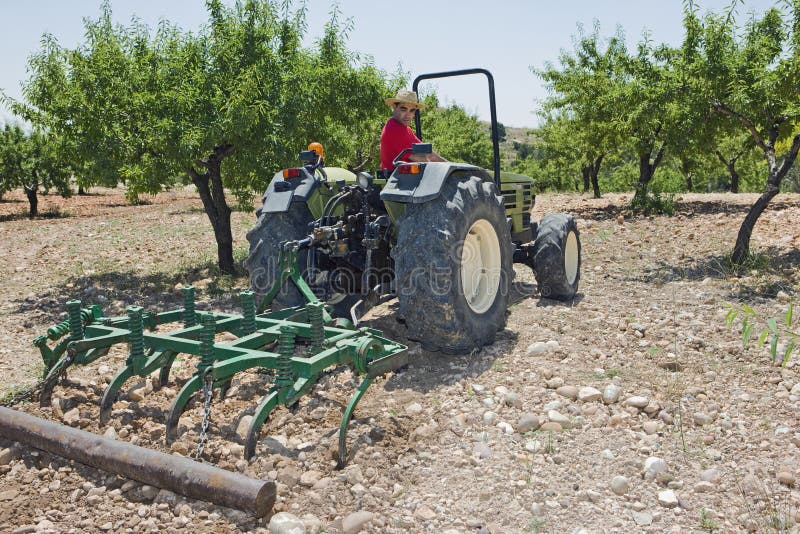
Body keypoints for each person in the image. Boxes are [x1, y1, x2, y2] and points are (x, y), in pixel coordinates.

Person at [380, 89, 447, 171]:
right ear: (394, 107)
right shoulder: (393, 129)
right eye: (403, 109)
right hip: (397, 179)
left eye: (412, 111)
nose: (408, 115)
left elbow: (428, 152)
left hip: (408, 177)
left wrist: (449, 164)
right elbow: (422, 160)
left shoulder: (406, 129)